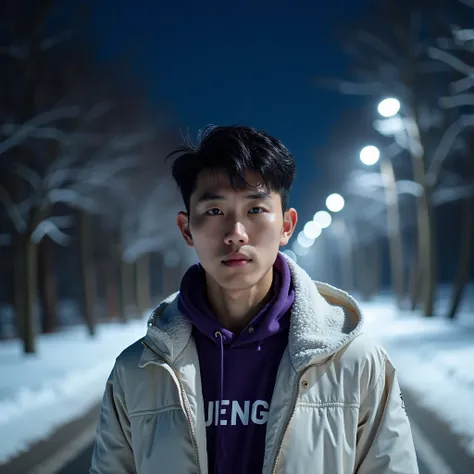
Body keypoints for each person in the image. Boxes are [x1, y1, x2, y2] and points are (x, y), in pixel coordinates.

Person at [90, 125, 419, 474]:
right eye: (215, 211)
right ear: (187, 229)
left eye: (256, 210)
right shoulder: (138, 371)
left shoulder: (354, 361)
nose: (236, 233)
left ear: (287, 226)